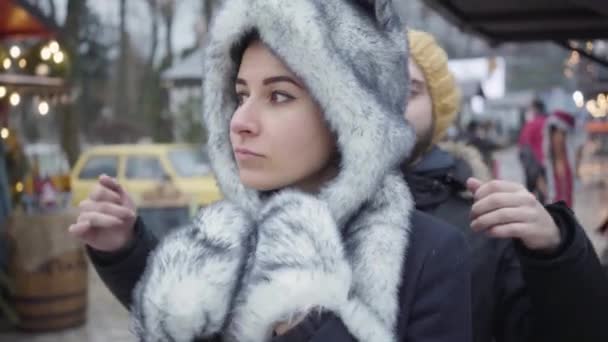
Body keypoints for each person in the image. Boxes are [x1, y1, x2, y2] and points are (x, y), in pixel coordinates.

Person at [70, 1, 472, 341]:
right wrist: (124, 250)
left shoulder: (428, 255)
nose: (240, 120)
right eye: (241, 94)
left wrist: (304, 322)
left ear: (349, 119)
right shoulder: (229, 234)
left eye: (279, 96)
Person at [403, 29, 608, 342]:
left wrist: (558, 252)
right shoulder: (311, 209)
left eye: (410, 90)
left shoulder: (487, 223)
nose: (389, 102)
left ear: (438, 106)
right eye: (374, 86)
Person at [541, 110, 577, 207]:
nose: (559, 139)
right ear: (550, 136)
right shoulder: (544, 165)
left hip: (569, 212)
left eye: (563, 134)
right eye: (555, 134)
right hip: (552, 214)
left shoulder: (571, 161)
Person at [518, 98, 548, 199]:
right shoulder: (548, 122)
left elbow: (523, 144)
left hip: (534, 164)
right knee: (545, 194)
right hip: (547, 164)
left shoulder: (531, 124)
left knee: (533, 194)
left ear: (535, 109)